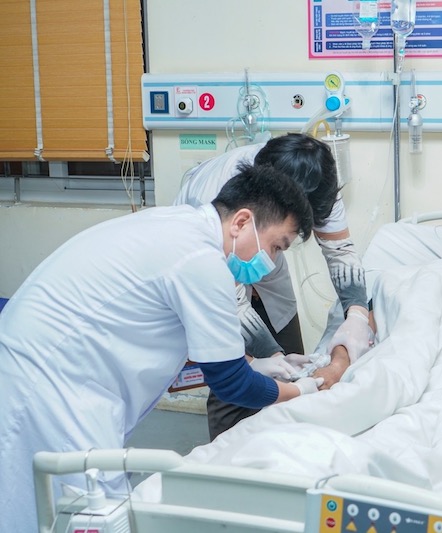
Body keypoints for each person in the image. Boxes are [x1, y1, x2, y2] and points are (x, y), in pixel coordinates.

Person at [0, 163, 321, 532]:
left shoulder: (177, 226)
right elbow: (231, 384)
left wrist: (257, 365)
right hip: (52, 382)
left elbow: (175, 342)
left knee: (39, 500)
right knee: (86, 510)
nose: (272, 263)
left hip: (42, 361)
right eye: (276, 247)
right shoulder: (201, 260)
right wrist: (300, 389)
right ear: (242, 222)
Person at [175, 133, 372, 440]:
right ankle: (228, 459)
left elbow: (340, 251)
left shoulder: (318, 177)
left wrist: (358, 314)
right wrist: (266, 356)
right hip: (217, 253)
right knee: (235, 382)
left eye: (284, 245)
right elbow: (234, 304)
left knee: (290, 359)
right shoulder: (219, 201)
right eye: (283, 241)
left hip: (258, 238)